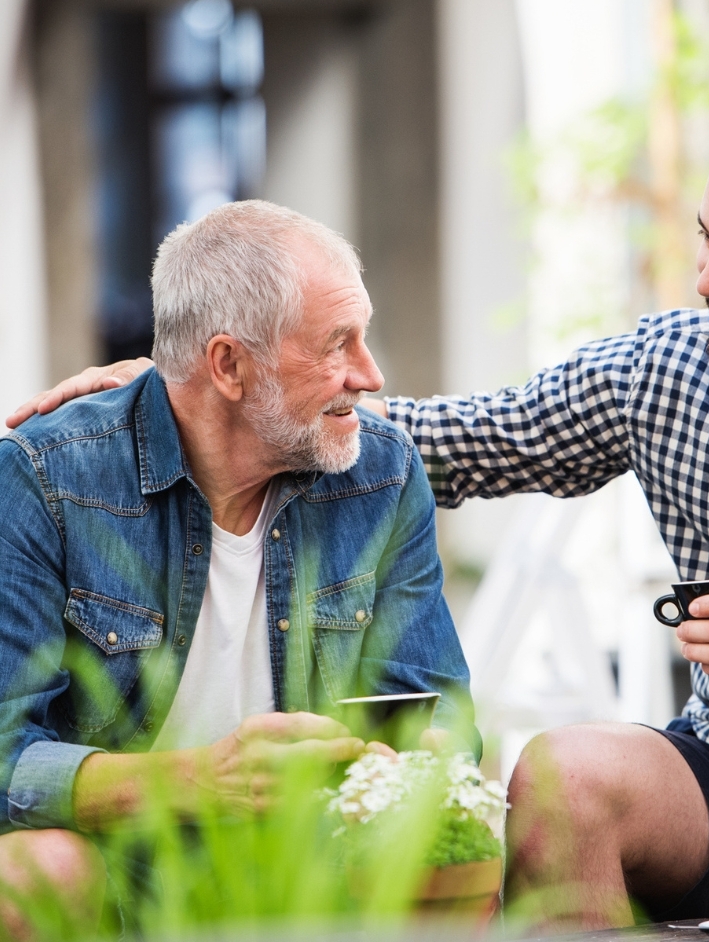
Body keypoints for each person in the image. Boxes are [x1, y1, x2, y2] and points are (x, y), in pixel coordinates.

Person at [14, 95, 709, 941]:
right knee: (565, 775)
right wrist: (192, 387)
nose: (706, 280)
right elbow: (455, 439)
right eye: (706, 239)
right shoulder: (663, 371)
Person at [0, 200, 476, 935]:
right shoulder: (48, 477)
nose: (372, 375)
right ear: (228, 365)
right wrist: (198, 782)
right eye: (338, 344)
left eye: (365, 337)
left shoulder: (380, 474)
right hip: (114, 870)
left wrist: (425, 757)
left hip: (316, 858)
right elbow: (7, 756)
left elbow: (440, 711)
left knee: (451, 858)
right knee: (29, 876)